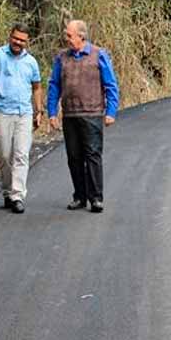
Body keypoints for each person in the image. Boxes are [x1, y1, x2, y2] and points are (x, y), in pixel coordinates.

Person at [47, 20, 120, 213]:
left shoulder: (98, 55)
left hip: (92, 114)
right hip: (70, 115)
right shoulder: (61, 58)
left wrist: (111, 111)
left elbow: (110, 84)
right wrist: (52, 112)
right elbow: (54, 85)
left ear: (81, 36)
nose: (67, 38)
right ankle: (79, 196)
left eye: (70, 35)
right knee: (74, 157)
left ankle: (96, 198)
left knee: (93, 154)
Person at [0, 23, 43, 214]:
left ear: (27, 41)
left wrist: (39, 110)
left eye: (22, 40)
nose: (18, 42)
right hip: (2, 111)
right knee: (4, 155)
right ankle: (8, 191)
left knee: (21, 154)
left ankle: (17, 196)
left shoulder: (31, 62)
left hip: (24, 112)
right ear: (10, 36)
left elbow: (37, 87)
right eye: (15, 38)